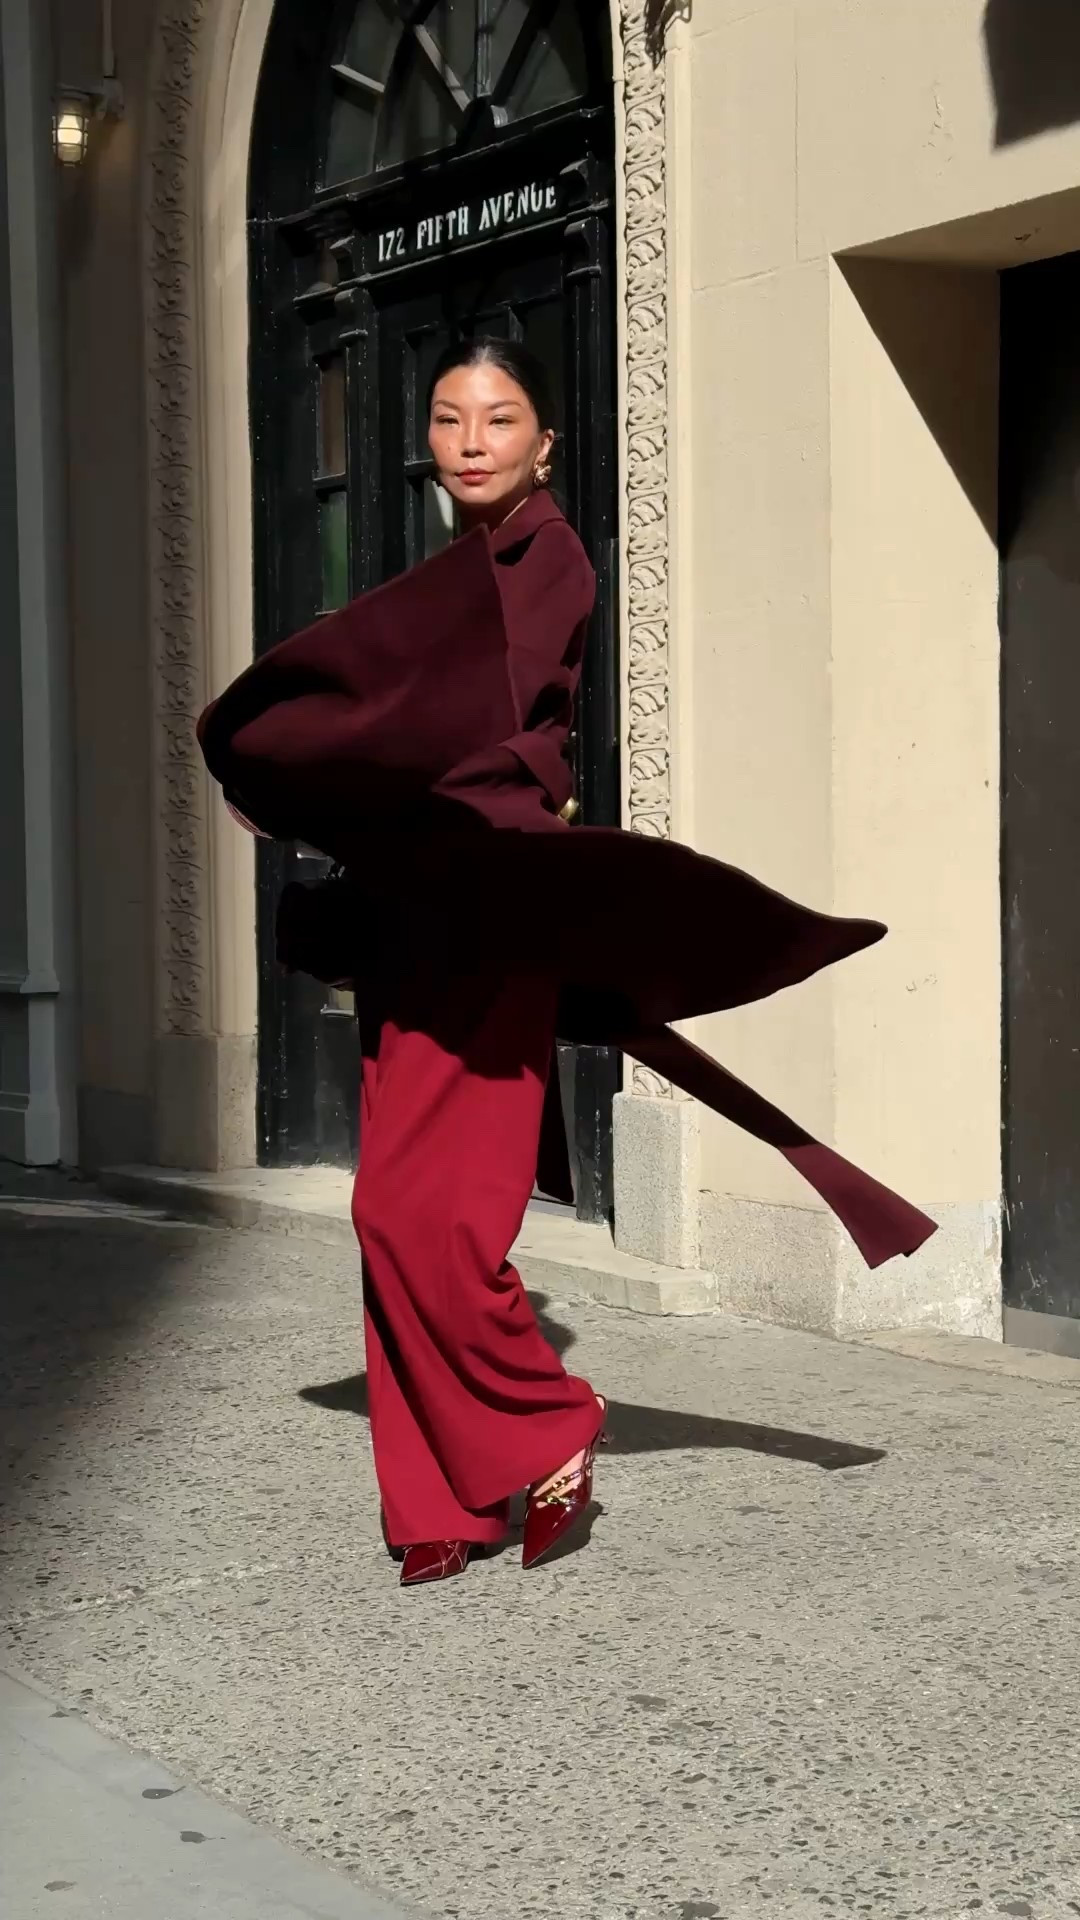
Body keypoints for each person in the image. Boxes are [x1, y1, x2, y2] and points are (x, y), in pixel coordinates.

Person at [197, 336, 936, 1592]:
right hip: (418, 921)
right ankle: (439, 1494)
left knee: (444, 1219)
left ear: (546, 444)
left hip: (495, 915)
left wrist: (320, 768)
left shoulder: (549, 563)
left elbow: (455, 736)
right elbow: (398, 735)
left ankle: (546, 1423)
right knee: (387, 1216)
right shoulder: (452, 575)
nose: (471, 439)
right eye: (447, 418)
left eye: (499, 419)